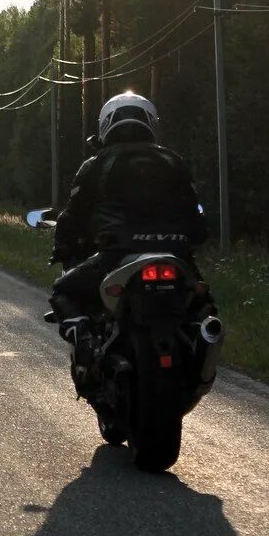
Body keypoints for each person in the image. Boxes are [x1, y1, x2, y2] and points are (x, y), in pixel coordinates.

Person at [49, 92, 209, 389]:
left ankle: (84, 336)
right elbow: (198, 221)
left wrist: (63, 248)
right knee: (204, 307)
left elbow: (71, 217)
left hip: (117, 255)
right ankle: (203, 344)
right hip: (175, 257)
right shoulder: (174, 162)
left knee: (63, 291)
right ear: (151, 122)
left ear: (105, 125)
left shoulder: (96, 165)